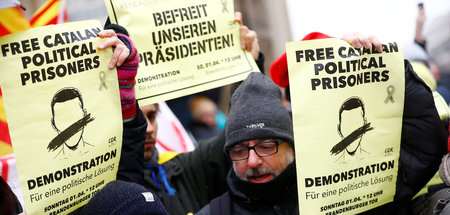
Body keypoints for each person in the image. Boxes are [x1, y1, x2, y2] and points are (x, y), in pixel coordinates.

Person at [136, 12, 264, 215]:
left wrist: (248, 65)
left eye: (151, 116)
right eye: (136, 121)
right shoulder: (103, 194)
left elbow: (238, 132)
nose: (149, 129)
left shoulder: (184, 170)